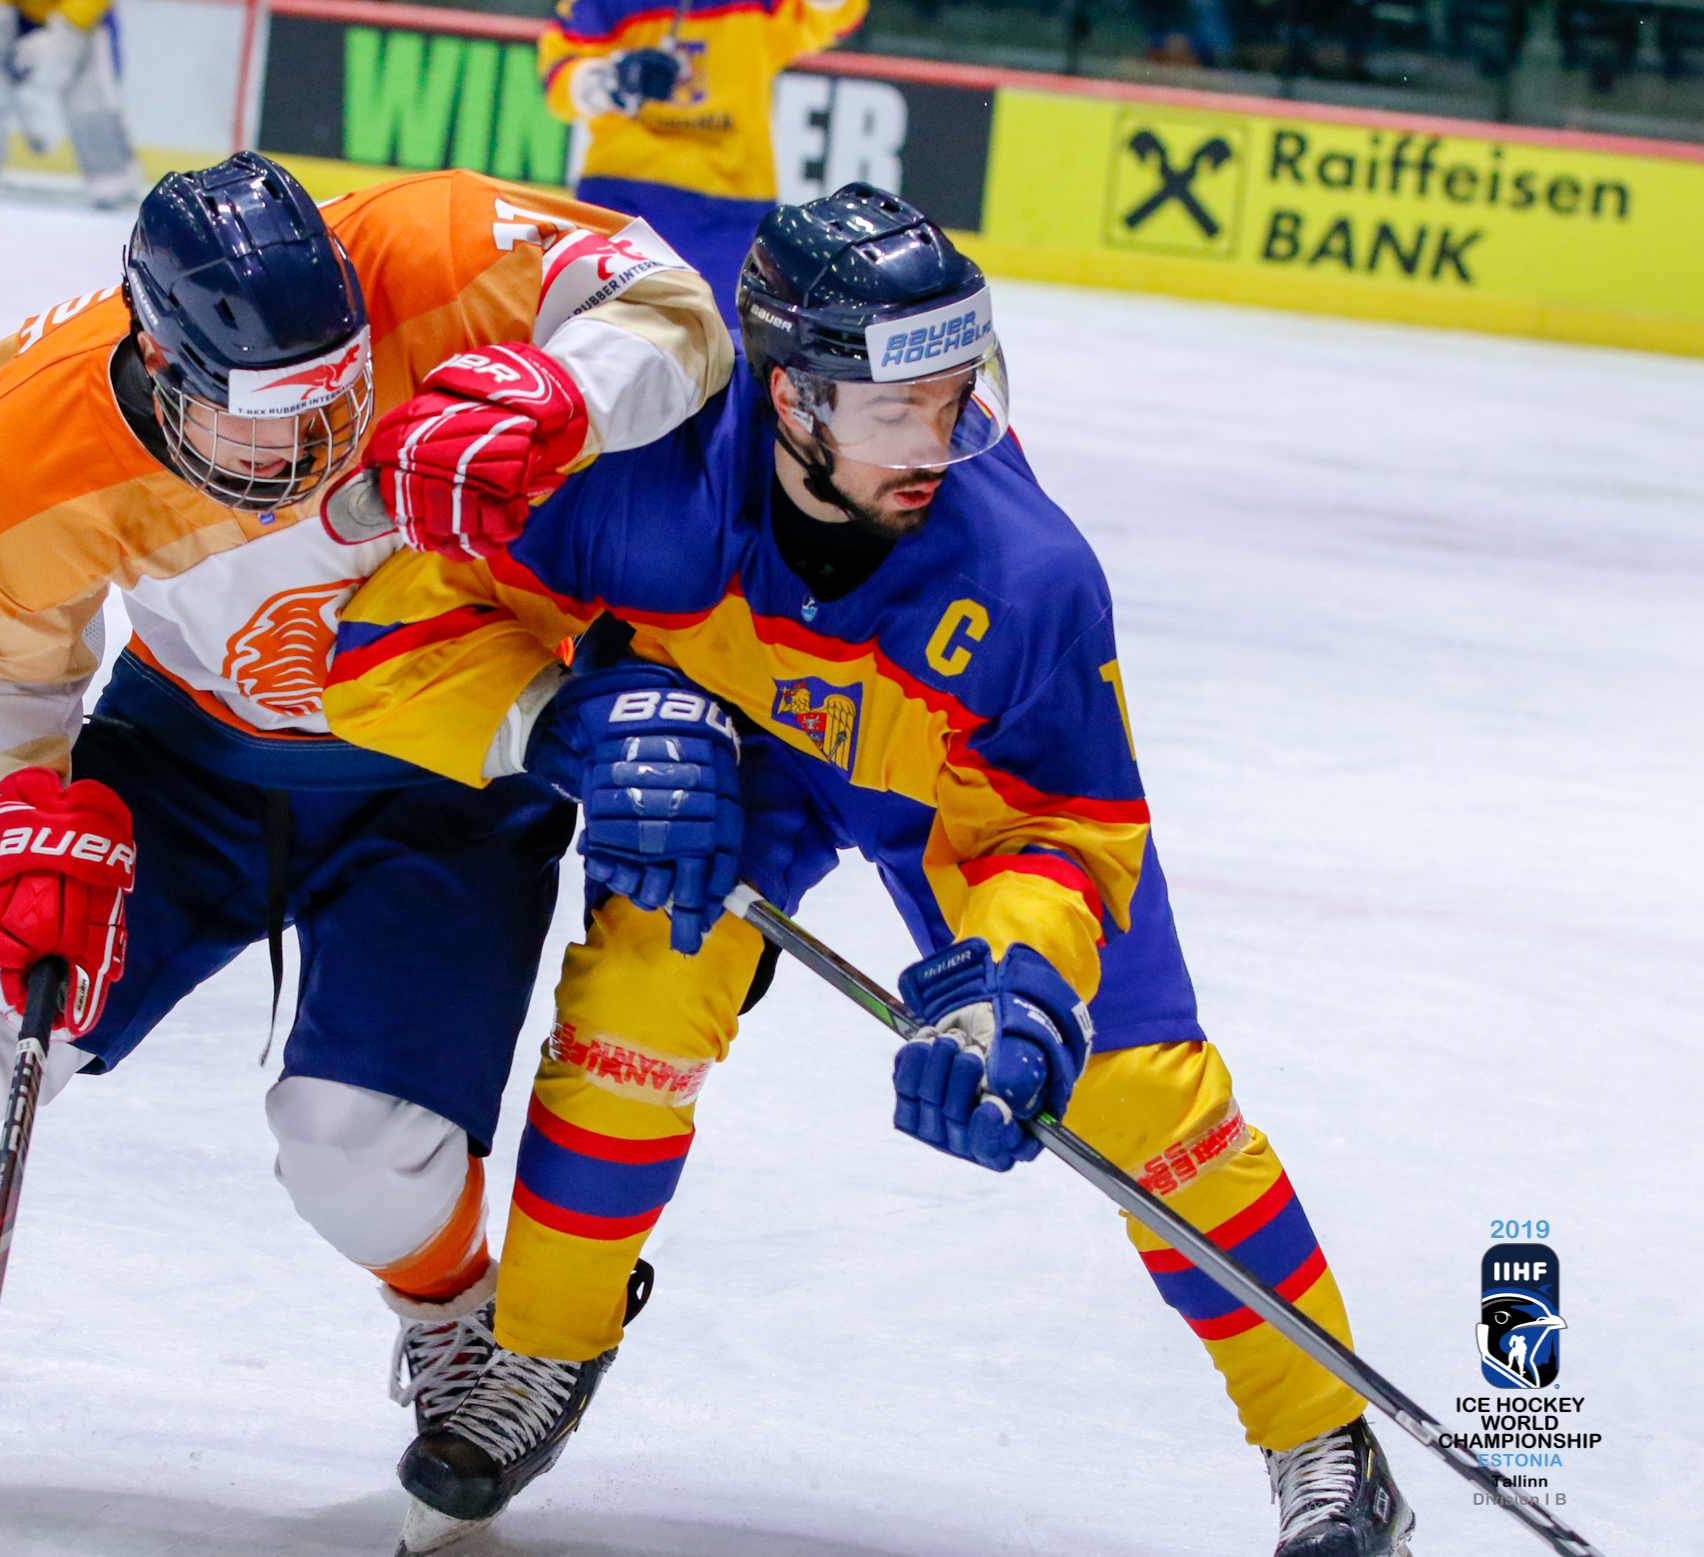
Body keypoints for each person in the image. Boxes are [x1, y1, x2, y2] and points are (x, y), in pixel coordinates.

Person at [0, 154, 731, 1505]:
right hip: (187, 755)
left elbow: (671, 305)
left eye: (339, 398)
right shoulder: (33, 438)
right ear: (163, 370)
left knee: (359, 1151)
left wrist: (558, 390)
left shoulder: (431, 247)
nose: (318, 454)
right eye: (269, 429)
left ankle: (453, 1309)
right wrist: (23, 802)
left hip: (459, 774)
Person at [324, 184, 1418, 1557]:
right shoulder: (637, 475)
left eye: (962, 393)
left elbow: (1066, 835)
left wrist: (1021, 988)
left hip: (945, 787)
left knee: (1138, 1089)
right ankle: (543, 1347)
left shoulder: (1028, 579)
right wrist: (573, 724)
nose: (945, 437)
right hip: (728, 739)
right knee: (640, 994)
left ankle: (1325, 1435)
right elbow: (375, 648)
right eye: (901, 407)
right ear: (789, 400)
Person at [539, 0, 869, 325]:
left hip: (730, 210)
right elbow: (559, 71)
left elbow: (832, 16)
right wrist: (613, 78)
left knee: (724, 355)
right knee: (591, 338)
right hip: (624, 195)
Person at [0, 0, 140, 207]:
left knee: (90, 97)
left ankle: (110, 174)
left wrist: (71, 22)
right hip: (15, 14)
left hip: (84, 20)